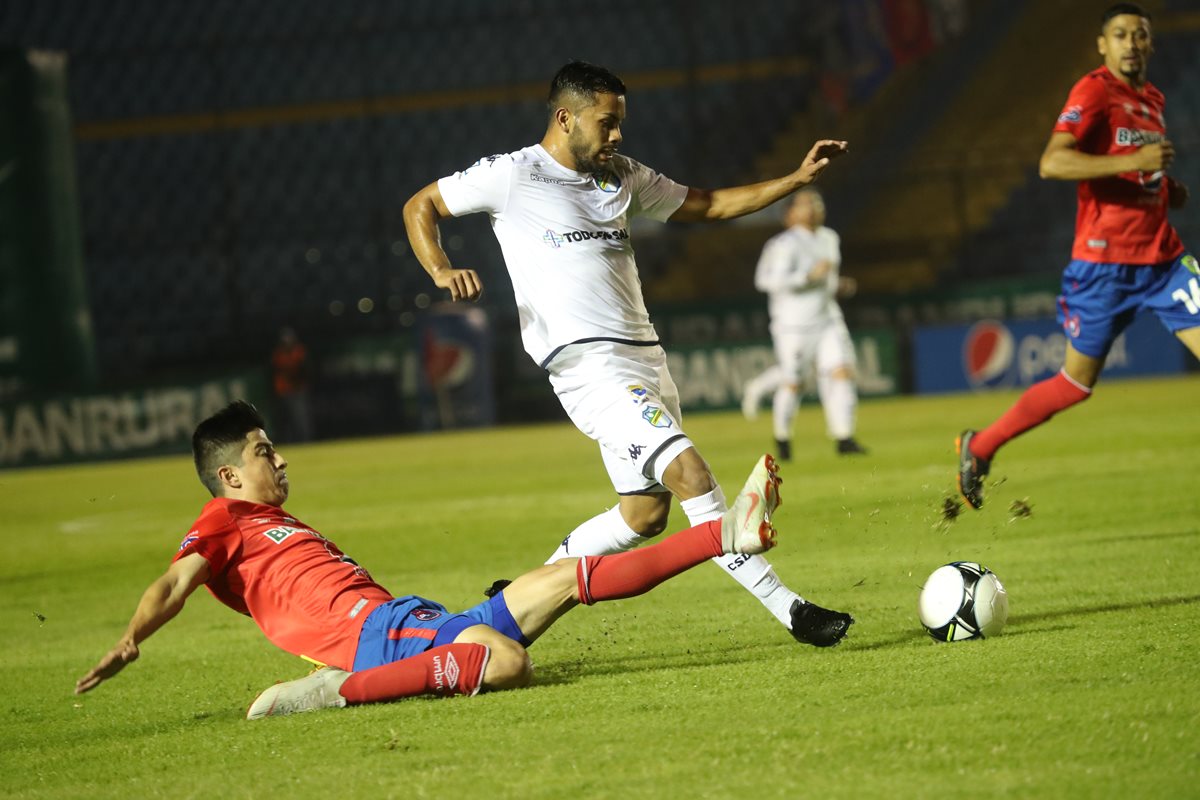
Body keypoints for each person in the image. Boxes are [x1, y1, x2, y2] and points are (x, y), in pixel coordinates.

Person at [404, 60, 854, 647]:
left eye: (620, 123)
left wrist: (795, 180)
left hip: (645, 359)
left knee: (644, 516)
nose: (617, 136)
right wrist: (440, 269)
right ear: (565, 118)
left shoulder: (621, 177)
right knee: (692, 475)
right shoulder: (512, 175)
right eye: (606, 123)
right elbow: (421, 205)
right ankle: (793, 611)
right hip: (588, 368)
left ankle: (512, 609)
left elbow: (710, 204)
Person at [74, 401, 784, 718]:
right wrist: (131, 638)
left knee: (566, 579)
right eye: (264, 452)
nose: (280, 458)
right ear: (229, 476)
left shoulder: (275, 526)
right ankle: (333, 692)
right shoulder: (225, 519)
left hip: (409, 621)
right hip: (377, 640)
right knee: (507, 663)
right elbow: (175, 579)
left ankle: (728, 535)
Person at [956, 3, 1198, 510]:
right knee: (1075, 385)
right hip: (1104, 270)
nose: (1131, 42)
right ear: (1101, 45)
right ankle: (979, 447)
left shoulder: (1152, 97)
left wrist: (1161, 186)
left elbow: (1133, 172)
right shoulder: (1093, 91)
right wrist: (1136, 159)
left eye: (1140, 34)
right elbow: (1052, 162)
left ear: (1151, 44)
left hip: (1162, 262)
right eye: (1120, 34)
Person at [740, 188, 867, 460]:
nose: (813, 208)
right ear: (791, 213)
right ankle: (783, 439)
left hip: (827, 318)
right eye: (806, 204)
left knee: (842, 372)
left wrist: (837, 285)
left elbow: (826, 280)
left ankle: (844, 437)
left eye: (817, 203)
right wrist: (806, 277)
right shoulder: (782, 245)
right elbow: (764, 281)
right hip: (793, 326)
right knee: (794, 382)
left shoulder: (830, 238)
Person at [271, 327, 315, 443]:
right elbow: (274, 371)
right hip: (284, 391)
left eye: (289, 338)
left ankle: (306, 442)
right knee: (286, 419)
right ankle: (288, 442)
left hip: (298, 389)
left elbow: (306, 369)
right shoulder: (279, 354)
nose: (287, 341)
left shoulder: (299, 351)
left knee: (301, 418)